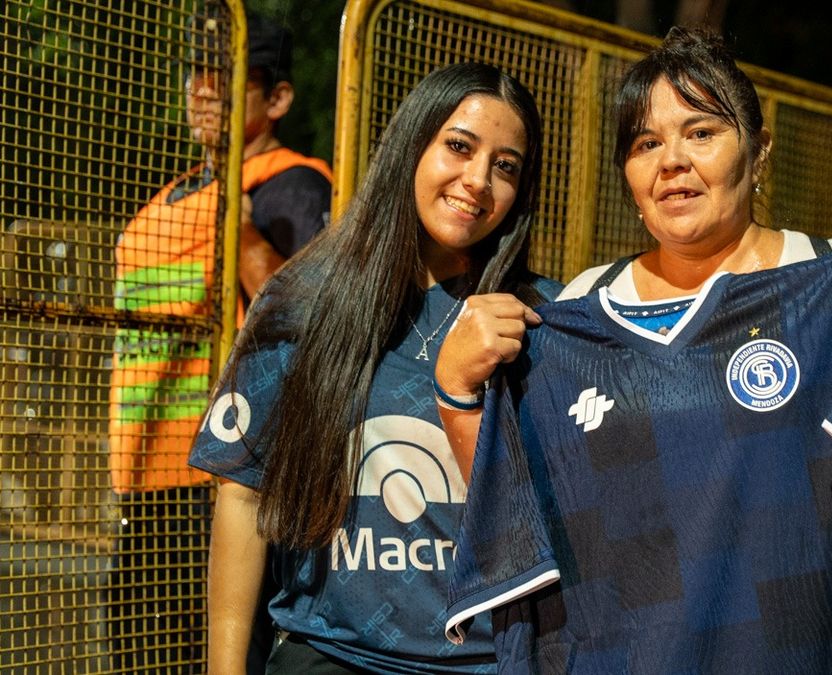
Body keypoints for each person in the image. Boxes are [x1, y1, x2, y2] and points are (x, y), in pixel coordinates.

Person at [435, 26, 832, 673]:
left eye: (700, 131)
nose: (672, 160)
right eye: (646, 143)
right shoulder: (583, 313)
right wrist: (457, 394)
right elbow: (528, 511)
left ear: (758, 152)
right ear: (628, 174)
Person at [187, 62, 560, 673]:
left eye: (506, 166)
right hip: (329, 653)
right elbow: (242, 493)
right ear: (412, 146)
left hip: (483, 662)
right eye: (459, 147)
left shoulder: (538, 318)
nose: (478, 180)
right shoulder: (303, 297)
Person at [107, 12, 332, 673]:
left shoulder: (293, 185)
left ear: (279, 98)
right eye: (196, 74)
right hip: (146, 473)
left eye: (229, 76)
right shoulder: (174, 193)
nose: (203, 89)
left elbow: (306, 317)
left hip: (221, 481)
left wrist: (241, 235)